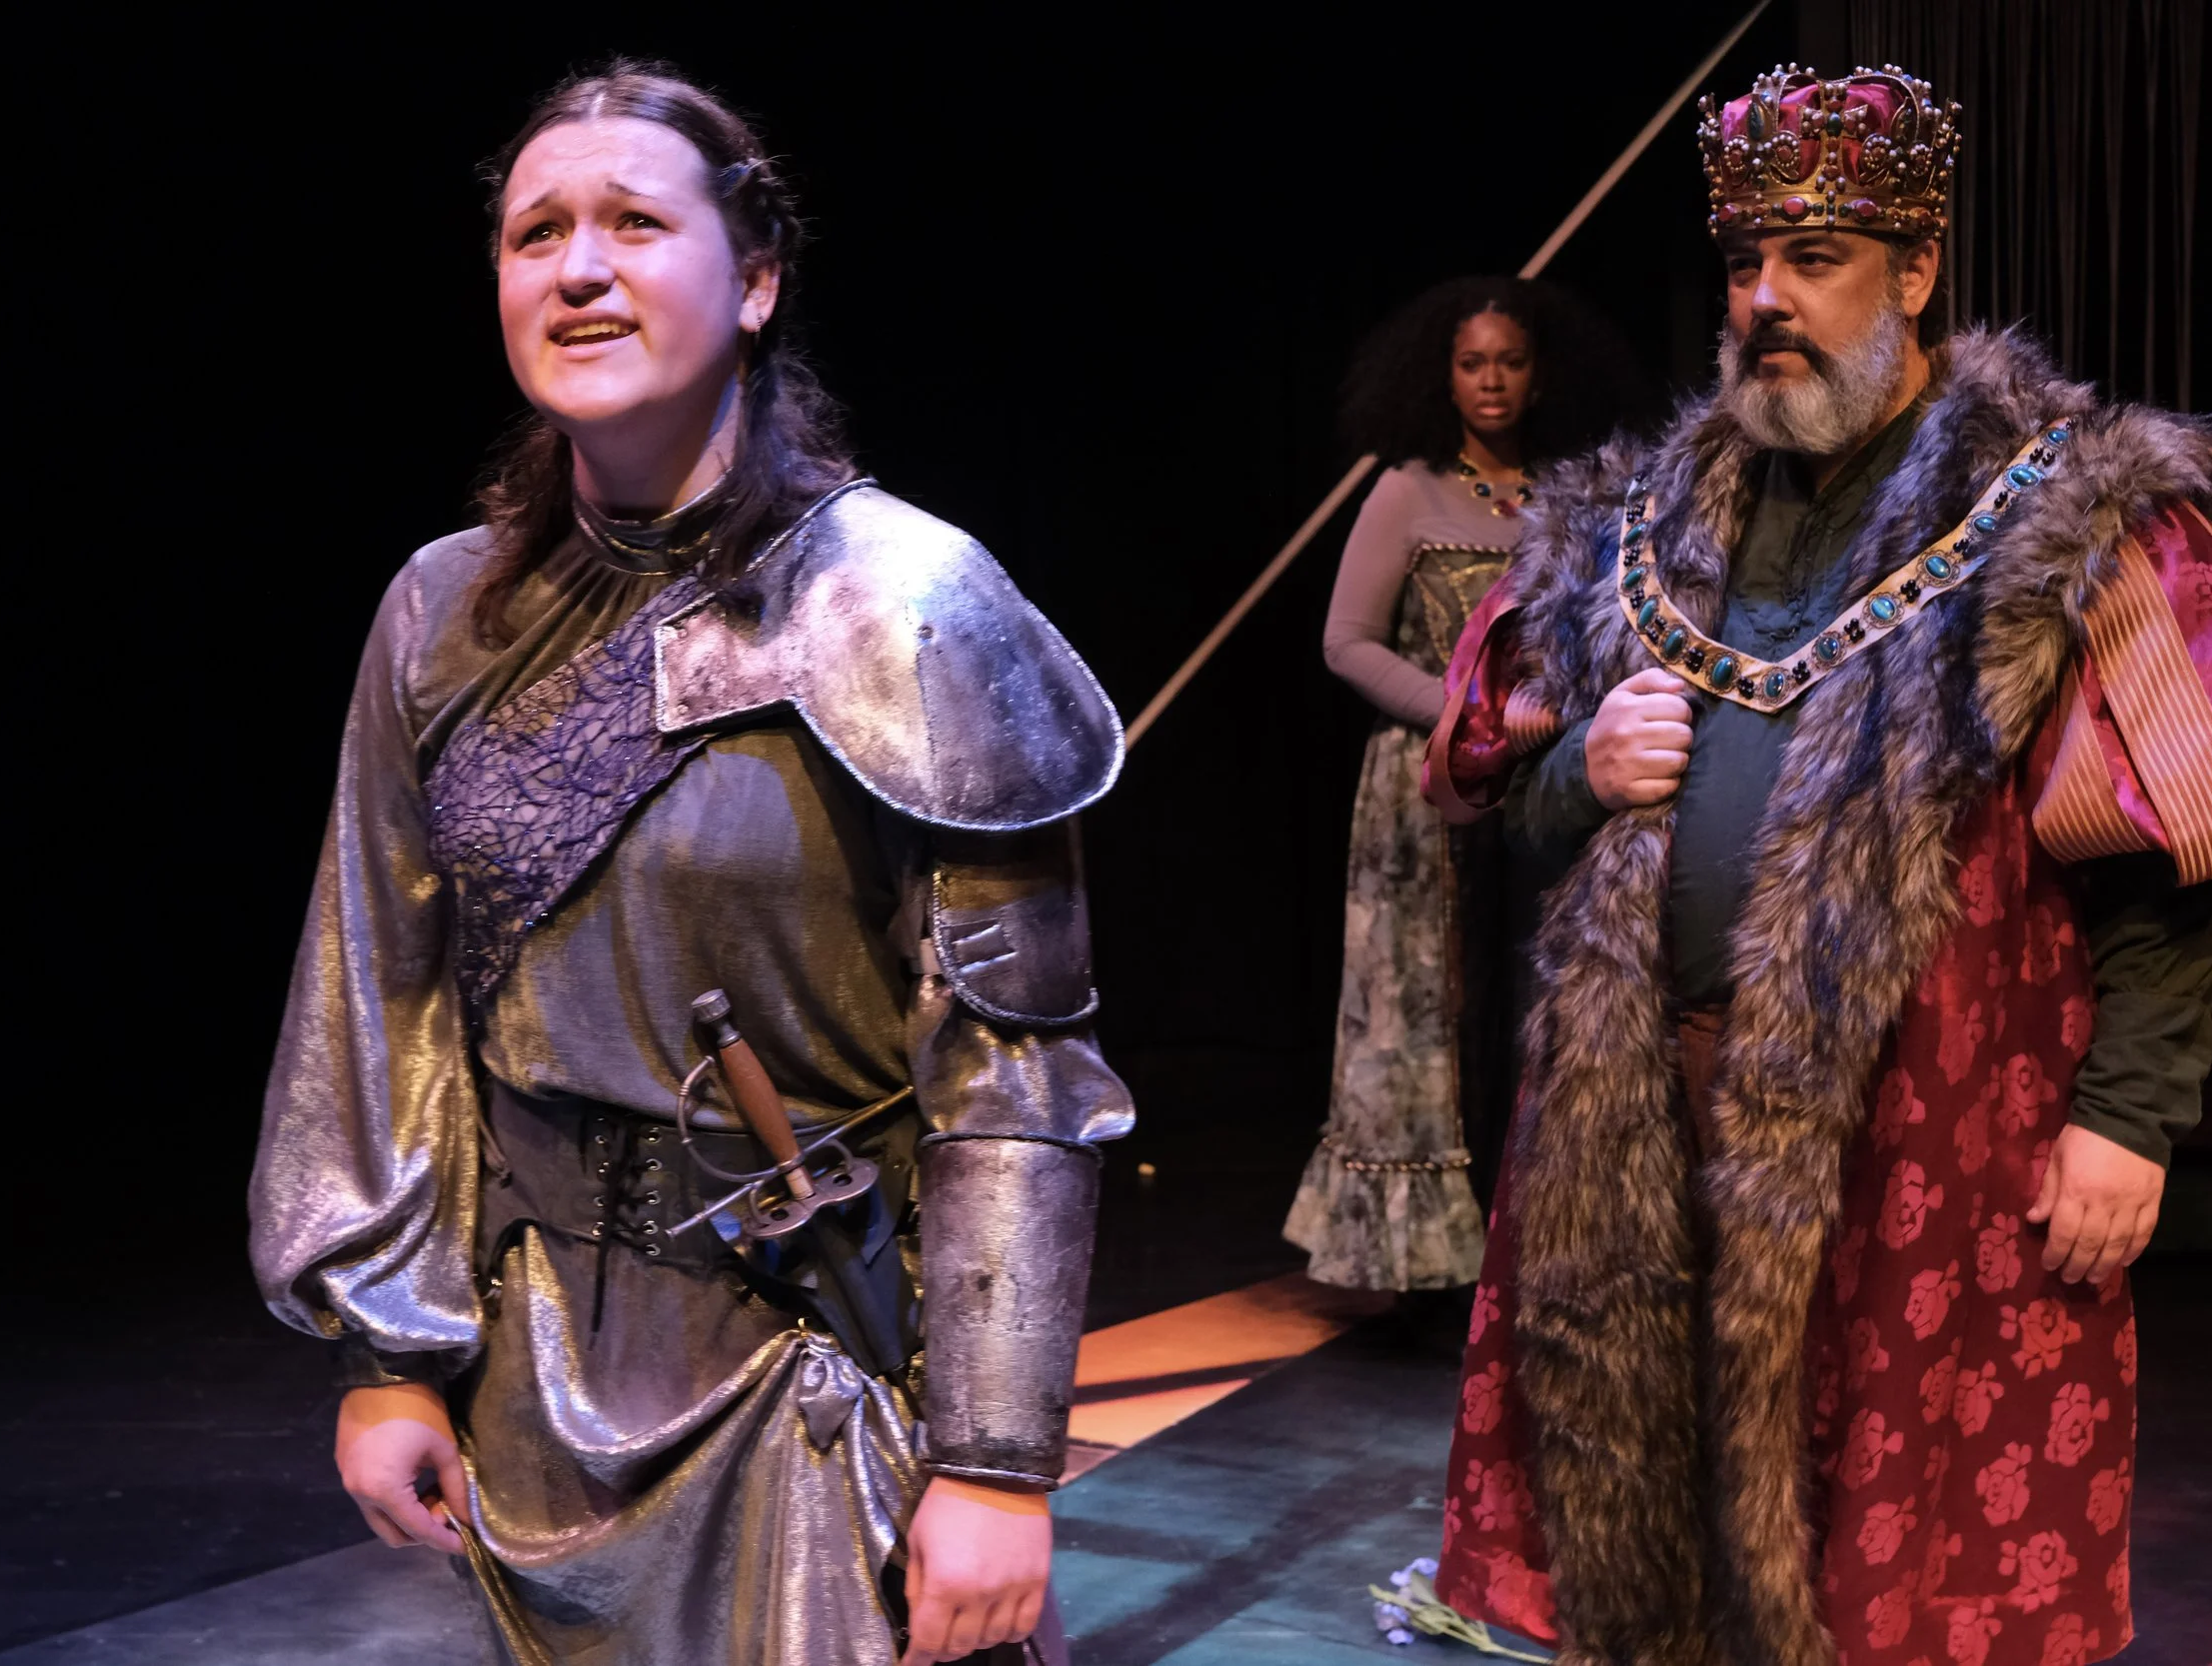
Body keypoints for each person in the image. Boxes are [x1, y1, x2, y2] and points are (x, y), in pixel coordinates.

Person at [1424, 64, 2212, 1666]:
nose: (1765, 301)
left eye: (1816, 258)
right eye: (1744, 263)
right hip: (1644, 1114)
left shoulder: (2069, 515)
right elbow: (1502, 787)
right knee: (1650, 1550)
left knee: (1894, 1573)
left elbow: (2186, 856)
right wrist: (1582, 765)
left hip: (1933, 1130)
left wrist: (2131, 1115)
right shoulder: (1627, 520)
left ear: (1915, 272)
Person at [249, 61, 1131, 1666]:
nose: (579, 268)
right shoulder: (441, 615)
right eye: (537, 234)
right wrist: (386, 1350)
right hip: (535, 1380)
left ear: (758, 278)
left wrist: (999, 1459)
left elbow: (1016, 1072)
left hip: (816, 1363)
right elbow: (379, 999)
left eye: (635, 224)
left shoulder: (909, 602)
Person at [1284, 278, 1633, 1297]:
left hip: (1543, 781)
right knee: (1429, 1001)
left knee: (1531, 994)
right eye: (1472, 363)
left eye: (1509, 362)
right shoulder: (1406, 491)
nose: (1491, 381)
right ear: (1442, 376)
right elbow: (1346, 641)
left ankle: (1535, 1237)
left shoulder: (1572, 495)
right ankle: (1421, 1258)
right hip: (1424, 787)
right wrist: (1455, 714)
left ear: (1540, 375)